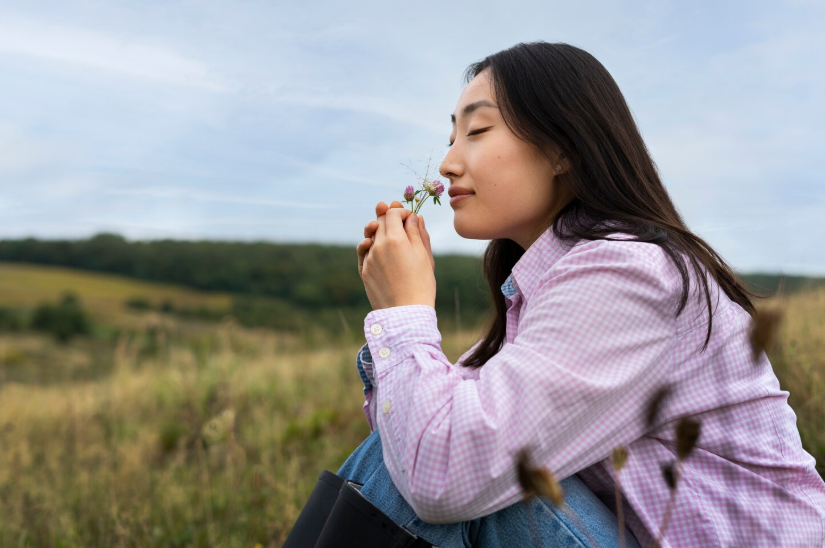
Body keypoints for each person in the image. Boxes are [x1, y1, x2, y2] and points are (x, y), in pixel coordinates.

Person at [297, 41, 825, 547]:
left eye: (477, 131)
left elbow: (438, 468)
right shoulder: (551, 283)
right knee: (421, 451)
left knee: (452, 470)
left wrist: (404, 311)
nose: (448, 164)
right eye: (450, 138)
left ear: (560, 150)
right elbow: (418, 437)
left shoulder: (630, 274)